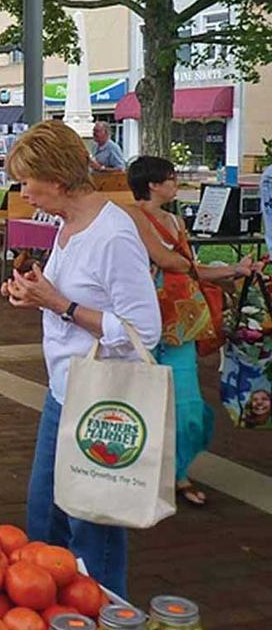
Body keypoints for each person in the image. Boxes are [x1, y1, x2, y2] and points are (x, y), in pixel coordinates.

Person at [1, 120, 161, 597]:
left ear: (57, 179)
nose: (23, 190)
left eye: (28, 180)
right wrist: (35, 293)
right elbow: (66, 299)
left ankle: (106, 624)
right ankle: (55, 621)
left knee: (93, 531)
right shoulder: (67, 225)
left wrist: (59, 305)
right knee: (44, 521)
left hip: (102, 405)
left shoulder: (111, 234)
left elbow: (144, 331)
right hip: (64, 394)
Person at [126, 156, 260, 507]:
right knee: (142, 398)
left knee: (187, 404)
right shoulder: (132, 215)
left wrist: (232, 270)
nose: (175, 183)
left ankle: (175, 469)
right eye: (170, 178)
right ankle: (149, 471)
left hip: (180, 322)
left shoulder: (174, 219)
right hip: (143, 319)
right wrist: (200, 269)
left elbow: (187, 268)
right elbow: (170, 261)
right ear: (152, 184)